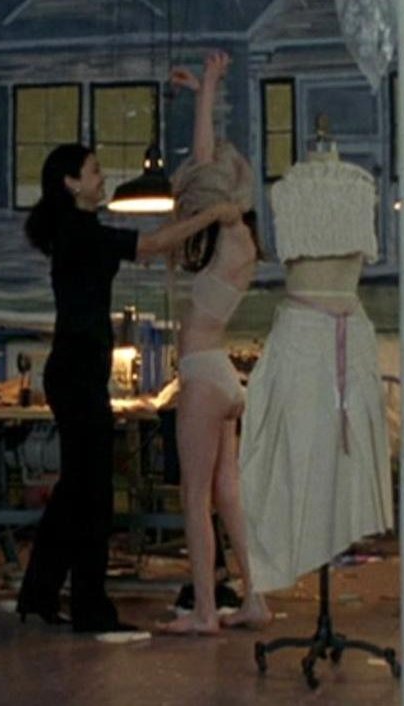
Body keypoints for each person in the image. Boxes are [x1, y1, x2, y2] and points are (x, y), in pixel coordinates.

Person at [17, 143, 240, 633]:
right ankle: (90, 609)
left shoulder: (83, 229)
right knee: (93, 496)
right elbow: (153, 245)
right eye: (94, 171)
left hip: (78, 372)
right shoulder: (79, 232)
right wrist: (213, 215)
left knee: (75, 491)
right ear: (71, 183)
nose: (102, 178)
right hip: (76, 375)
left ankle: (38, 593)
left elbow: (149, 247)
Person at [238, 136, 394, 593]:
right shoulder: (290, 189)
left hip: (333, 331)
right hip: (308, 332)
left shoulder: (356, 186)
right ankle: (293, 549)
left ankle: (327, 537)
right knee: (292, 449)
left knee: (339, 454)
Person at [156, 50, 271, 635]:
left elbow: (210, 179)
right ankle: (254, 598)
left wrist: (210, 85)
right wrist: (205, 91)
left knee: (195, 497)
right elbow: (208, 167)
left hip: (205, 375)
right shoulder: (240, 243)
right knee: (228, 494)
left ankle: (205, 609)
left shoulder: (229, 230)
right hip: (220, 373)